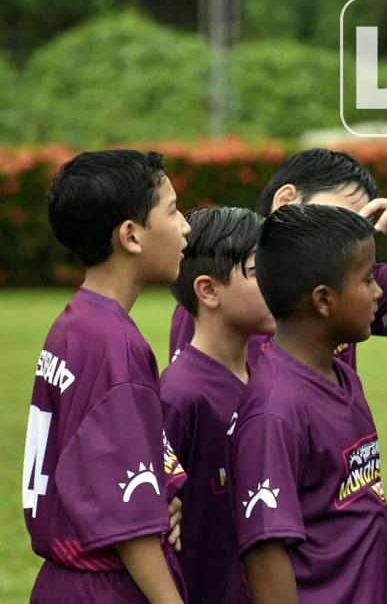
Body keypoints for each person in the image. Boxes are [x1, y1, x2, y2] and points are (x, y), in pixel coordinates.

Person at [25, 150, 190, 602]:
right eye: (173, 211)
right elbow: (127, 519)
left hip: (62, 580)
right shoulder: (116, 345)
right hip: (104, 586)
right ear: (131, 236)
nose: (185, 227)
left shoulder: (75, 323)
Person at [230, 204, 387, 602]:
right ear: (323, 300)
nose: (379, 291)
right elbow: (266, 552)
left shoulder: (344, 376)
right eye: (368, 279)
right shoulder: (275, 411)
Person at [167, 148, 387, 369]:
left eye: (356, 225)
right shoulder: (221, 288)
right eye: (336, 216)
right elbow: (199, 398)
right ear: (286, 200)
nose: (347, 236)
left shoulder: (352, 279)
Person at [160, 206, 274, 603]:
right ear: (208, 290)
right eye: (260, 272)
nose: (279, 282)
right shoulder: (180, 394)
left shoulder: (268, 377)